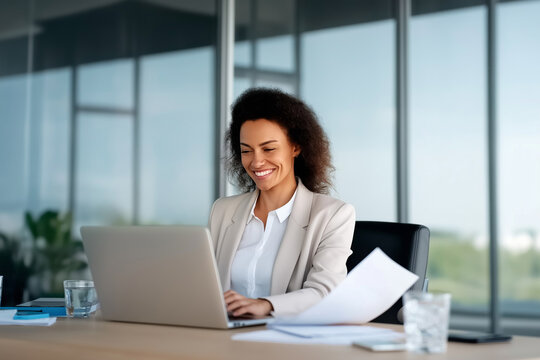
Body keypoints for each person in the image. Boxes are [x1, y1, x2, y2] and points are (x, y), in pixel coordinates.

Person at [209, 88, 355, 317]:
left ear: (295, 147)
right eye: (246, 151)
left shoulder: (333, 215)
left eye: (268, 149)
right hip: (225, 338)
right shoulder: (223, 211)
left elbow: (326, 292)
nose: (256, 162)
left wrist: (266, 305)